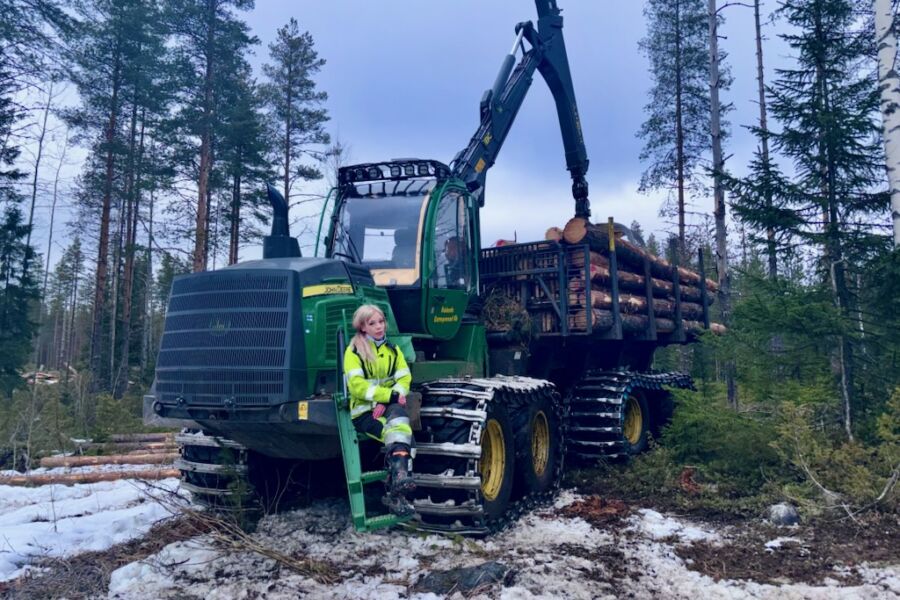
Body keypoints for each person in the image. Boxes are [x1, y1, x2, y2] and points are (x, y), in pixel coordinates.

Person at [343, 304, 416, 517]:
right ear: (363, 327)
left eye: (381, 321)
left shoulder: (393, 351)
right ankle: (397, 492)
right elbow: (357, 386)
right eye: (372, 323)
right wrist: (386, 397)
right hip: (364, 413)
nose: (378, 327)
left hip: (385, 407)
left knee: (401, 428)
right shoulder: (354, 352)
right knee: (403, 437)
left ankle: (399, 483)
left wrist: (388, 399)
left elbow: (404, 379)